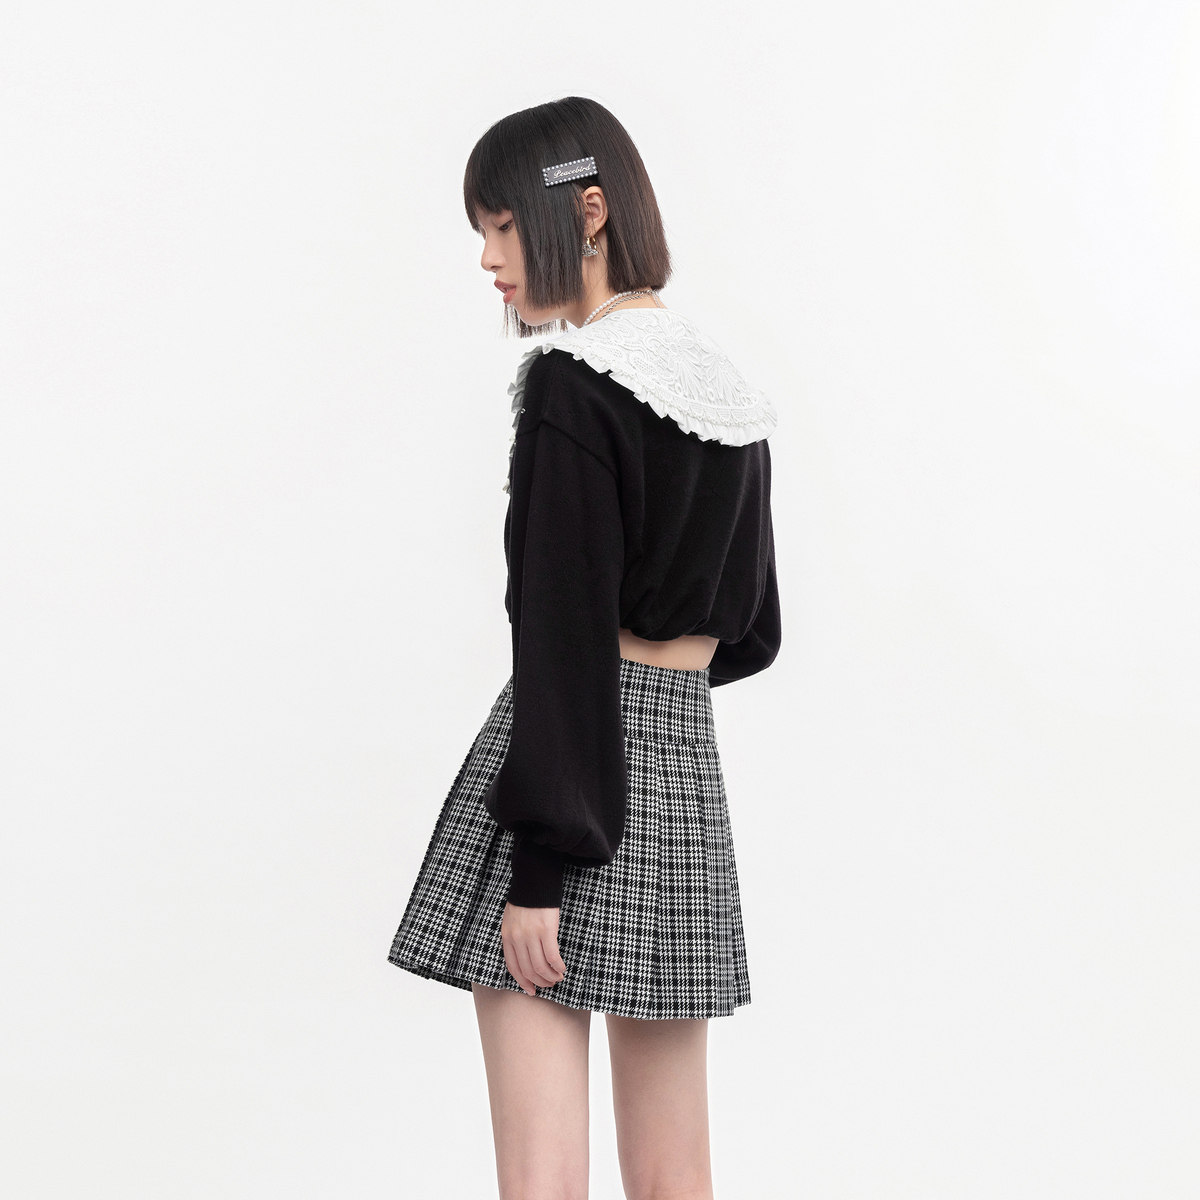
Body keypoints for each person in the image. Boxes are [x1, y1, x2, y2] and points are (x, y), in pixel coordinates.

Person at [386, 96, 781, 1200]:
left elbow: (559, 639)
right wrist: (662, 698)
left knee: (542, 1183)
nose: (486, 258)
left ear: (588, 211)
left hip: (563, 788)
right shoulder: (728, 395)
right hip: (681, 786)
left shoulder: (575, 381)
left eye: (504, 225)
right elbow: (753, 630)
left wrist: (540, 870)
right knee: (677, 1178)